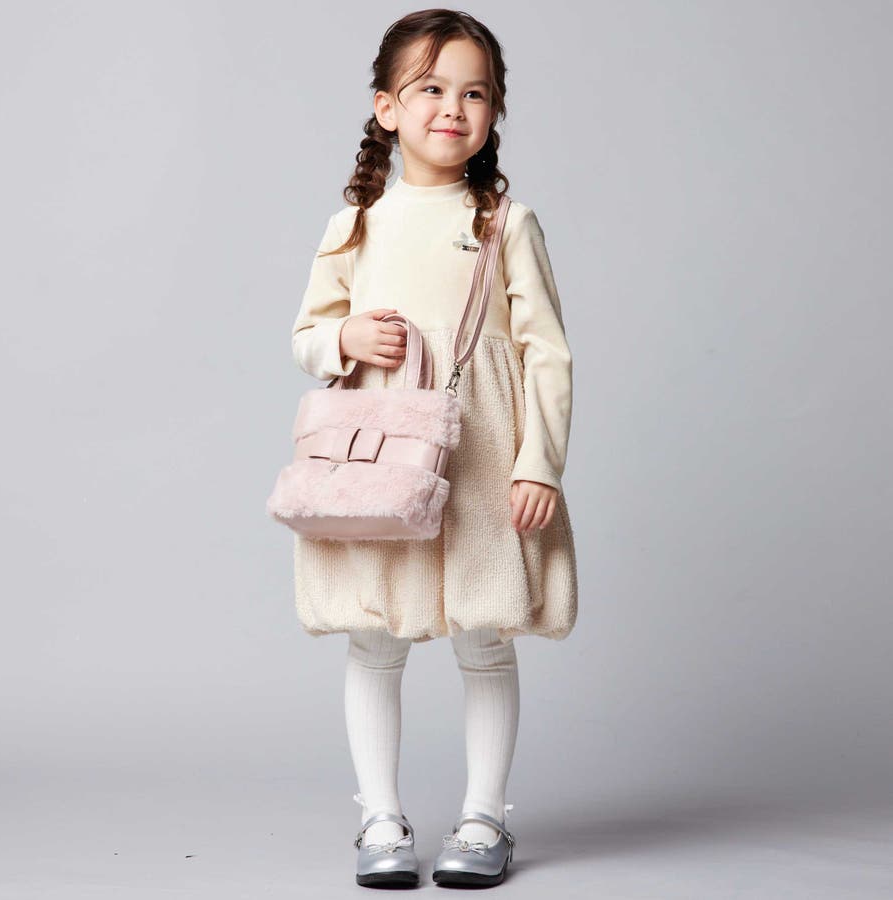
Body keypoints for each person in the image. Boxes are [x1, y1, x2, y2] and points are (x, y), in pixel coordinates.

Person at [286, 9, 578, 888]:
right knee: (375, 634)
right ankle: (380, 819)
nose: (453, 108)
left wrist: (538, 462)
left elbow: (547, 352)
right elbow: (306, 335)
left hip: (483, 453)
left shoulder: (506, 222)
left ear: (494, 113)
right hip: (380, 456)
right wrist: (344, 342)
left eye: (474, 93)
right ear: (387, 107)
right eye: (431, 89)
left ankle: (485, 818)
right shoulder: (354, 225)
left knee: (485, 633)